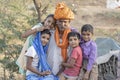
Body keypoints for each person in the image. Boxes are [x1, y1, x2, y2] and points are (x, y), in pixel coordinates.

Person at [47, 2, 75, 75]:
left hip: (63, 70)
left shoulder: (72, 37)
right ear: (56, 22)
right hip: (48, 67)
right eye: (60, 21)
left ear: (69, 22)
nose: (62, 24)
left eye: (65, 22)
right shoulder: (50, 33)